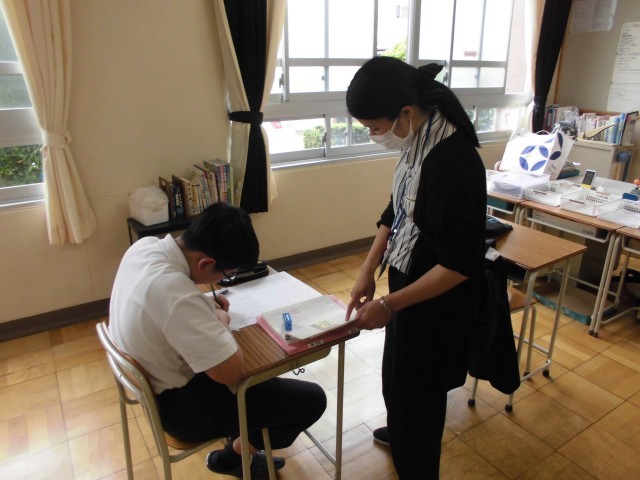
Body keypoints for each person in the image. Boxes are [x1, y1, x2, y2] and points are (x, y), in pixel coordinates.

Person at [109, 202, 327, 479]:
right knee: (311, 400)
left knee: (266, 384)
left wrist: (203, 305)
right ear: (206, 263)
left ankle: (240, 442)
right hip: (182, 410)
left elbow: (165, 303)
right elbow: (230, 372)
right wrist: (219, 321)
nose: (225, 280)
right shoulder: (175, 294)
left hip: (155, 384)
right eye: (227, 275)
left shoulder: (144, 247)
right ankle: (230, 459)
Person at [345, 57, 487, 479]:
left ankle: (416, 458)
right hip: (407, 282)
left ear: (405, 112)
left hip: (436, 299)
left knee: (418, 396)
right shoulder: (417, 138)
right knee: (396, 380)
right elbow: (395, 210)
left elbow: (460, 264)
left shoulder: (453, 163)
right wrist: (368, 268)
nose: (374, 136)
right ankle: (403, 430)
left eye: (375, 127)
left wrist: (389, 305)